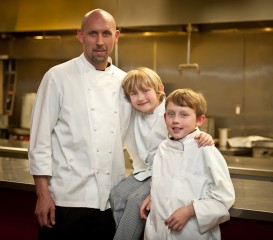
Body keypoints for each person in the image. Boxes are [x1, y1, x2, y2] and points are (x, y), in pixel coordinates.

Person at [28, 9, 131, 239]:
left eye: (106, 33)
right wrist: (42, 194)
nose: (100, 42)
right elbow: (39, 140)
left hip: (109, 203)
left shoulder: (126, 82)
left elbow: (145, 130)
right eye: (92, 34)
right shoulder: (57, 77)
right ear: (80, 36)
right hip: (65, 201)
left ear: (117, 36)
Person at [110, 68, 214, 240]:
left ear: (159, 88)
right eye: (134, 94)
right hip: (142, 171)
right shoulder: (133, 113)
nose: (141, 98)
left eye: (146, 91)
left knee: (136, 202)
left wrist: (204, 135)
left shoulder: (170, 113)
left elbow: (188, 131)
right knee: (117, 194)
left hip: (164, 173)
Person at [140, 88, 235, 240]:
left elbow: (223, 197)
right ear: (165, 117)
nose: (176, 120)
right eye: (171, 114)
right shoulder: (162, 148)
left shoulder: (205, 148)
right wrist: (153, 196)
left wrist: (190, 211)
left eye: (184, 114)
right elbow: (163, 181)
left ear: (200, 120)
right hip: (157, 232)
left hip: (190, 232)